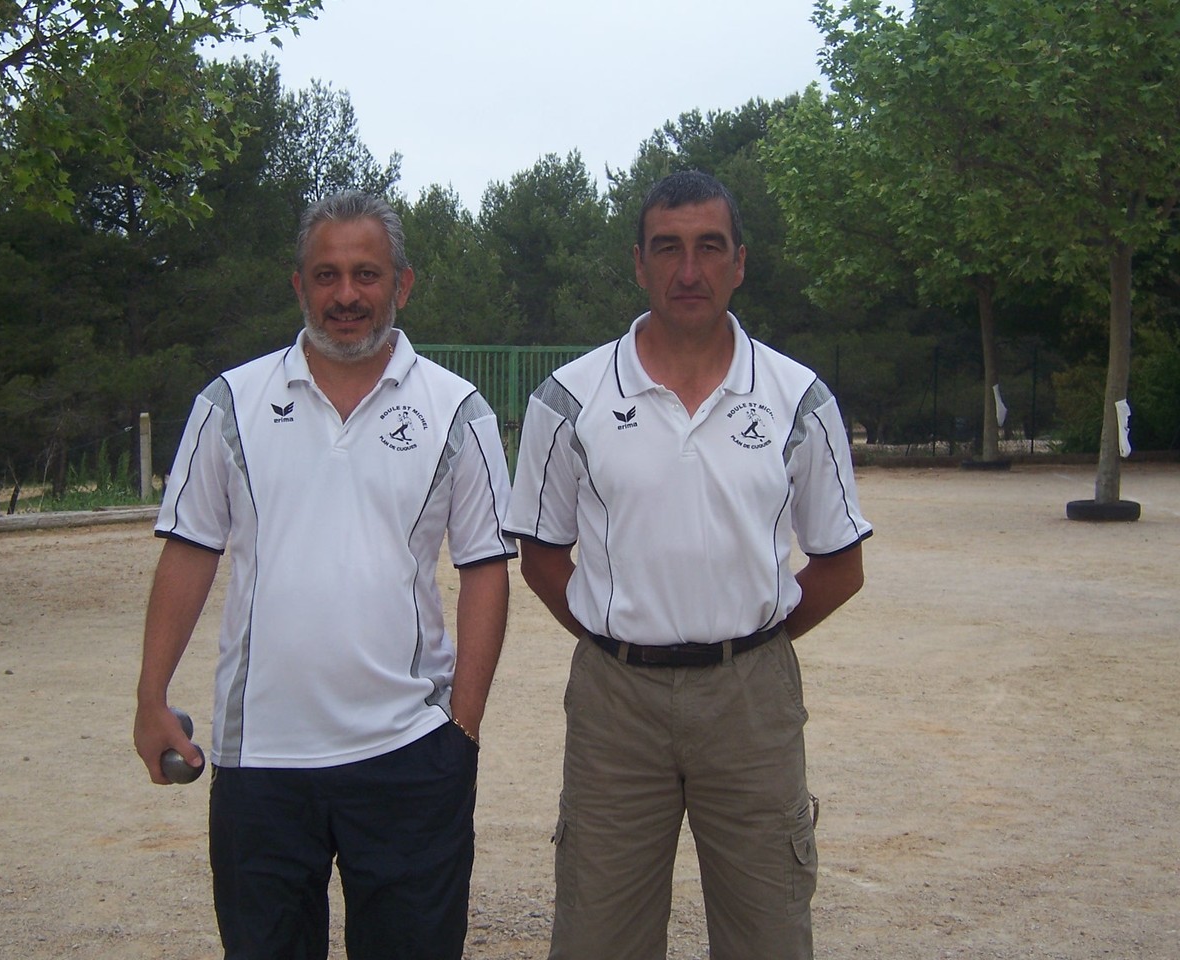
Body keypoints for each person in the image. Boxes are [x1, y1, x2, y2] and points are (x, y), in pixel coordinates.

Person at [133, 190, 516, 960]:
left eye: (367, 274)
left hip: (410, 758)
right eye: (327, 275)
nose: (347, 295)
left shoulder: (457, 411)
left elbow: (486, 570)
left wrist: (461, 731)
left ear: (402, 284)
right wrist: (150, 698)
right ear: (298, 285)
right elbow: (188, 552)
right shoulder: (229, 403)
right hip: (260, 764)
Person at [504, 170, 872, 960]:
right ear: (638, 262)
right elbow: (540, 556)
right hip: (614, 706)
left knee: (769, 932)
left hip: (752, 705)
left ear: (741, 260)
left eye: (709, 248)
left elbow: (841, 566)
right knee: (598, 935)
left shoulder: (798, 398)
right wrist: (618, 634)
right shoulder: (569, 399)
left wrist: (752, 640)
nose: (689, 270)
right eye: (667, 248)